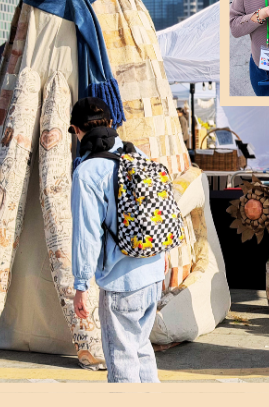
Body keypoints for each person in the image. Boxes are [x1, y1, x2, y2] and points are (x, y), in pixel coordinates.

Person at [69, 97, 168, 382]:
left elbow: (86, 234)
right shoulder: (136, 155)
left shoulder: (87, 172)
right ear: (112, 123)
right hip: (152, 273)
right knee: (141, 350)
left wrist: (80, 285)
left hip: (121, 282)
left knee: (122, 362)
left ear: (77, 131)